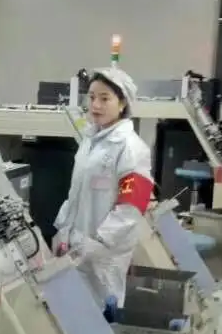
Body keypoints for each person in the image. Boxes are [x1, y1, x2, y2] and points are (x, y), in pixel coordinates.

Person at [53, 67, 153, 309]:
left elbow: (131, 208)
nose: (95, 105)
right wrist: (63, 228)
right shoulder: (90, 141)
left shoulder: (132, 148)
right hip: (76, 246)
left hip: (106, 255)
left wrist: (99, 242)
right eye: (92, 97)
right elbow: (76, 193)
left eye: (105, 98)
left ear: (122, 103)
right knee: (73, 313)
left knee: (100, 313)